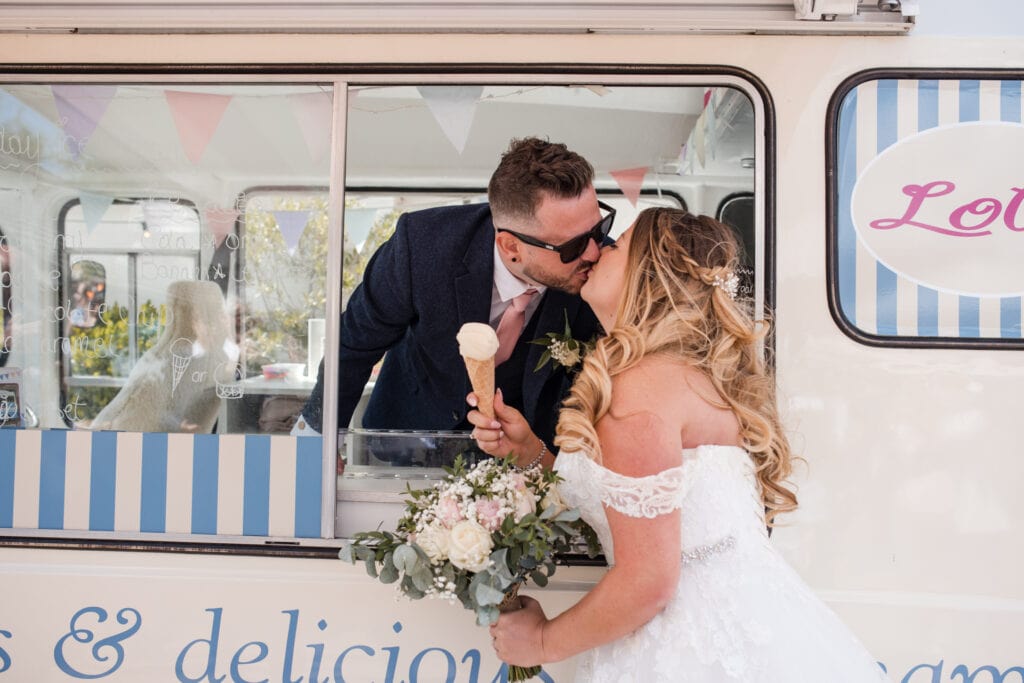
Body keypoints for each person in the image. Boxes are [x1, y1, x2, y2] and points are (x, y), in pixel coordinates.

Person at [467, 208, 890, 681]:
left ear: (648, 272)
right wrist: (533, 453)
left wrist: (542, 641)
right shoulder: (684, 372)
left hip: (691, 646)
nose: (598, 251)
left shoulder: (639, 389)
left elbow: (648, 581)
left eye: (618, 243)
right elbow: (644, 502)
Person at [295, 137, 610, 452]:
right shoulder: (421, 246)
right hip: (408, 441)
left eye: (599, 229)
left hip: (529, 455)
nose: (595, 253)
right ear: (511, 247)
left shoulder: (605, 272)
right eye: (573, 246)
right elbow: (354, 343)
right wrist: (316, 444)